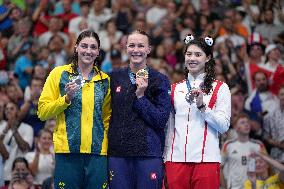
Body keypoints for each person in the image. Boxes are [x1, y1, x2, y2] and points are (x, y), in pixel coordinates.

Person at [37, 30, 111, 189]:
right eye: (84, 46)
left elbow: (107, 119)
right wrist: (66, 99)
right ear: (76, 47)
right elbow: (42, 112)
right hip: (67, 153)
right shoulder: (58, 74)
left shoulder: (105, 80)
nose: (88, 51)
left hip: (97, 154)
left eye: (93, 47)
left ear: (98, 52)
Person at [163, 34, 231, 189]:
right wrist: (166, 157)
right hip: (176, 159)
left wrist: (203, 107)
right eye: (189, 54)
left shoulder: (220, 88)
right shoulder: (174, 88)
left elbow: (224, 126)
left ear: (207, 58)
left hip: (206, 159)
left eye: (198, 54)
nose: (192, 58)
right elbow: (169, 127)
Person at [108, 29, 171, 189]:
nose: (136, 50)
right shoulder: (114, 77)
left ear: (149, 49)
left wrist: (141, 97)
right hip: (118, 153)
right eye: (132, 45)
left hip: (148, 153)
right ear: (126, 48)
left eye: (141, 46)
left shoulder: (159, 80)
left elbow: (161, 119)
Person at [221, 113, 266, 189]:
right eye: (242, 122)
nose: (246, 124)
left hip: (255, 187)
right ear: (236, 127)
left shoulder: (259, 145)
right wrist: (225, 187)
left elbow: (267, 167)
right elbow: (219, 167)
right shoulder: (228, 145)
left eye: (247, 122)